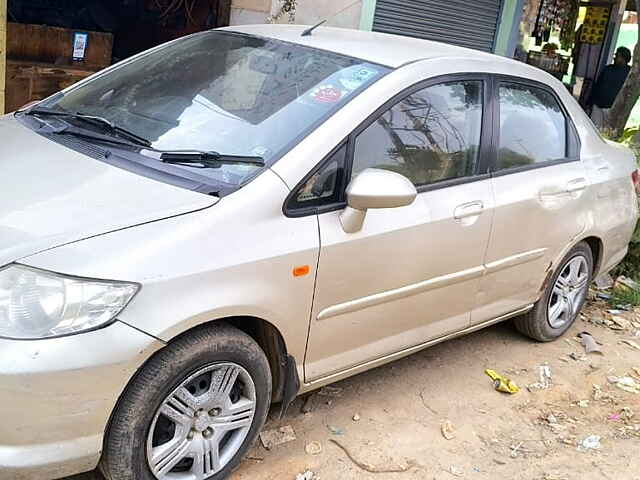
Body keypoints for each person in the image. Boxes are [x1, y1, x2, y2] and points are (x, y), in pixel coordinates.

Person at [588, 46, 632, 128]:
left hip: (612, 109)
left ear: (624, 59)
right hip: (597, 106)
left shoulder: (629, 73)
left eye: (617, 56)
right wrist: (590, 102)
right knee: (593, 128)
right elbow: (597, 86)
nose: (614, 58)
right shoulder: (608, 69)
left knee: (606, 132)